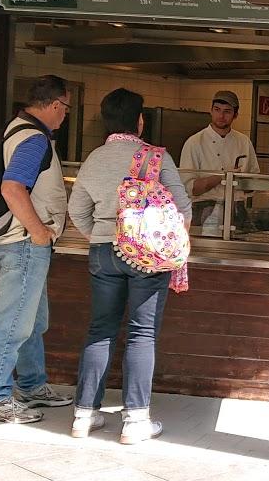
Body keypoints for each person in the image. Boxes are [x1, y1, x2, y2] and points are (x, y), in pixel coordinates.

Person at [68, 88, 192, 444]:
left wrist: (104, 236)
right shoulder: (154, 156)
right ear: (140, 121)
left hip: (103, 252)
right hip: (148, 255)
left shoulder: (93, 159)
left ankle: (84, 415)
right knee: (141, 332)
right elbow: (183, 209)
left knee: (100, 329)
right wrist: (159, 243)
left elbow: (76, 210)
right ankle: (136, 421)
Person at [0, 75, 74, 424]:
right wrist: (38, 230)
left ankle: (32, 385)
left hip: (21, 243)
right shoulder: (34, 140)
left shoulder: (16, 129)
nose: (65, 115)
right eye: (65, 108)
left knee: (32, 320)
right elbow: (12, 188)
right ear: (54, 105)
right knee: (13, 322)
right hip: (23, 244)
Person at [179, 90, 259, 236]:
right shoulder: (194, 142)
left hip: (237, 210)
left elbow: (254, 182)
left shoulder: (243, 141)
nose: (221, 116)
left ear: (235, 115)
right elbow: (190, 188)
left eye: (227, 112)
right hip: (203, 209)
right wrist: (224, 176)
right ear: (211, 111)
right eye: (217, 110)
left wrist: (242, 181)